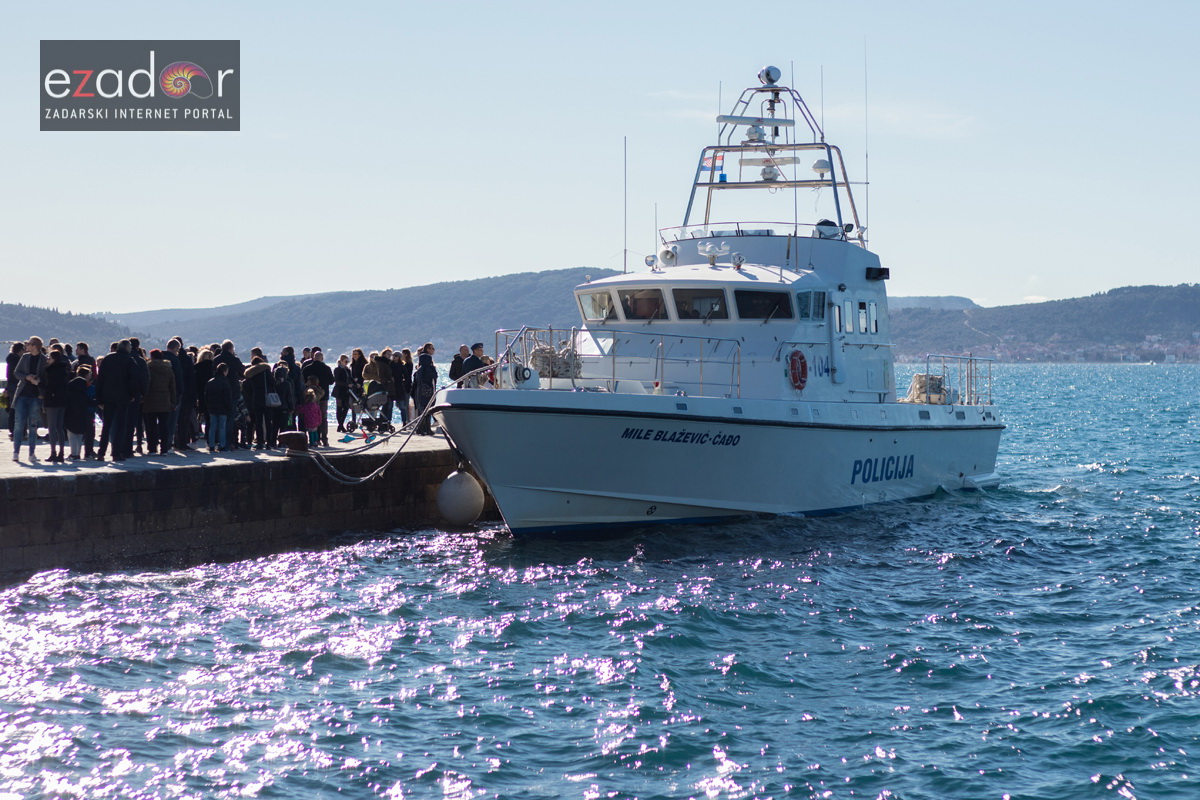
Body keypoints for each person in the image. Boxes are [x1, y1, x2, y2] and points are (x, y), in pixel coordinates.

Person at [11, 336, 47, 462]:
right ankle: (16, 452)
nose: (27, 345)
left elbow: (46, 379)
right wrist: (27, 377)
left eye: (30, 344)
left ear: (35, 346)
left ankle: (32, 453)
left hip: (35, 397)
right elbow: (16, 373)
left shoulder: (44, 360)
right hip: (22, 395)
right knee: (19, 424)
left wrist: (38, 380)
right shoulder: (25, 357)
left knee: (33, 425)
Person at [142, 349, 177, 455]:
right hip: (165, 400)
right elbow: (172, 387)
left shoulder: (148, 368)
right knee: (164, 426)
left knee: (151, 426)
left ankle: (152, 448)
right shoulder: (168, 369)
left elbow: (145, 384)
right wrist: (173, 402)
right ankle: (164, 449)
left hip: (150, 400)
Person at [41, 348, 72, 463]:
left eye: (49, 358)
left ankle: (53, 453)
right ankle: (61, 453)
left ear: (53, 359)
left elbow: (50, 388)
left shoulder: (51, 371)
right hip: (63, 402)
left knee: (52, 428)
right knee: (60, 428)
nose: (48, 360)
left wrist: (38, 383)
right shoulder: (64, 370)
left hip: (52, 402)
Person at [302, 349, 334, 447]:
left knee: (310, 417)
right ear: (322, 358)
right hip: (323, 396)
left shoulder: (307, 368)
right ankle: (324, 438)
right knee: (323, 417)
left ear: (313, 357)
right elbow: (331, 381)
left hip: (310, 397)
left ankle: (312, 439)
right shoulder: (327, 368)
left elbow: (302, 381)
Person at [65, 364, 92, 460]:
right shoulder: (85, 389)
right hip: (82, 414)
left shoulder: (70, 387)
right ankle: (77, 453)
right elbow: (90, 401)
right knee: (80, 435)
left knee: (71, 435)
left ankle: (73, 454)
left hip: (70, 414)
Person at [205, 362, 233, 452]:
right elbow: (228, 397)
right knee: (222, 427)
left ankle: (211, 445)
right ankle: (222, 445)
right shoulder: (225, 382)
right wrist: (229, 408)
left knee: (212, 427)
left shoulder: (210, 381)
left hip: (212, 407)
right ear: (225, 371)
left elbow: (206, 396)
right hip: (223, 408)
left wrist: (208, 405)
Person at [413, 342, 438, 435]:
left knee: (422, 410)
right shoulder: (430, 369)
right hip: (429, 391)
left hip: (420, 391)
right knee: (428, 410)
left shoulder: (419, 369)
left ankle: (420, 428)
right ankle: (427, 428)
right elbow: (434, 378)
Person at [5, 341, 24, 439]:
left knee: (13, 409)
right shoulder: (18, 360)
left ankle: (12, 430)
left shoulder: (11, 360)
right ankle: (17, 431)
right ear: (20, 350)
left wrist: (7, 388)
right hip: (17, 386)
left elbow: (8, 376)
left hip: (11, 387)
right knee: (19, 410)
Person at [391, 349, 411, 425]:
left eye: (396, 356)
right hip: (392, 387)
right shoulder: (390, 365)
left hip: (399, 388)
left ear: (399, 357)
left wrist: (403, 383)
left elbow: (407, 377)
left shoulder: (402, 366)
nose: (394, 357)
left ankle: (404, 421)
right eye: (393, 356)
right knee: (392, 406)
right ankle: (388, 421)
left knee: (402, 406)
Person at [333, 354, 352, 432]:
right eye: (345, 361)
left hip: (346, 391)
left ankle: (340, 424)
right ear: (341, 361)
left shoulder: (347, 370)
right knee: (339, 408)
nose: (346, 363)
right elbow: (337, 381)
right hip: (339, 391)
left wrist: (355, 383)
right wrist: (347, 384)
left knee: (346, 408)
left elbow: (350, 378)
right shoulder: (337, 370)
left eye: (348, 361)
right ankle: (340, 425)